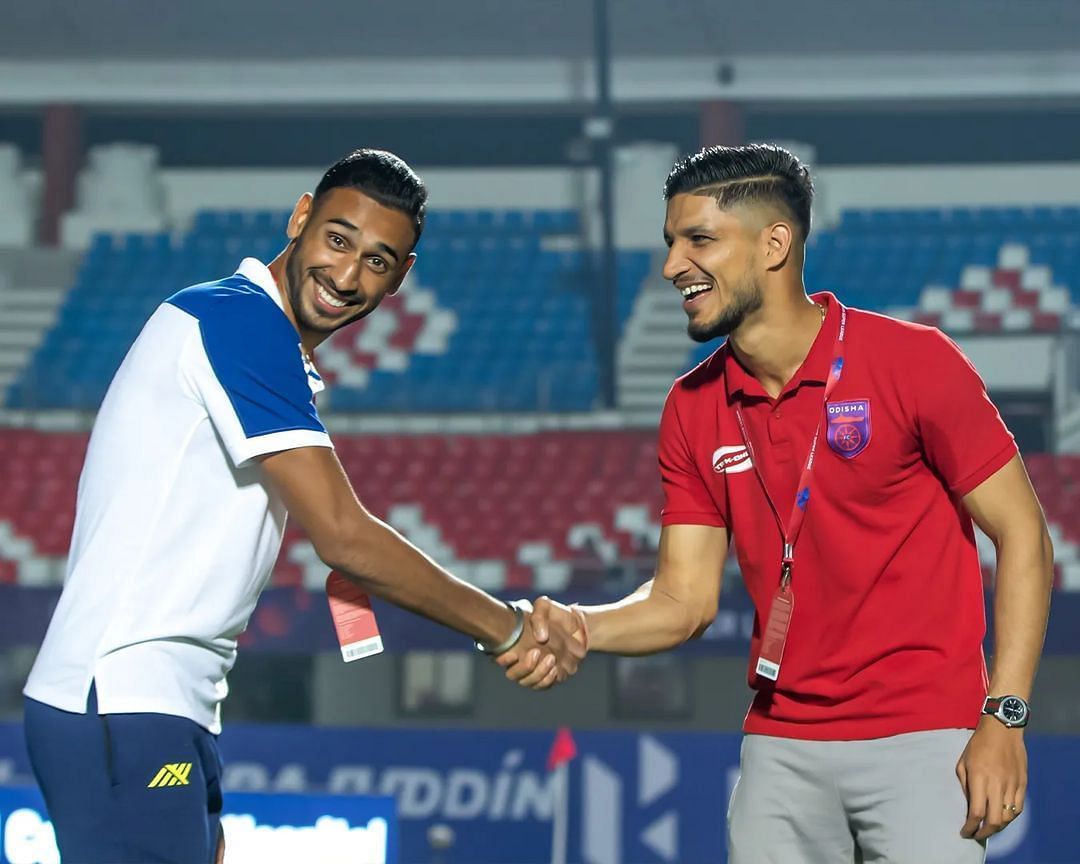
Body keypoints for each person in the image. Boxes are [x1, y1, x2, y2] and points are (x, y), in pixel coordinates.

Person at [22, 148, 584, 864]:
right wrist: (505, 630)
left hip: (164, 702)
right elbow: (345, 538)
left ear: (400, 278)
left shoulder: (260, 340)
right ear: (299, 218)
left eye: (377, 261)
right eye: (338, 238)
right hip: (124, 696)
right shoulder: (239, 322)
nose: (347, 275)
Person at [501, 144, 1054, 863]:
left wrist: (1004, 718)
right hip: (780, 745)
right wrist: (580, 625)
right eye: (670, 243)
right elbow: (684, 599)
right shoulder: (690, 406)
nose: (672, 266)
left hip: (926, 737)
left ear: (774, 244)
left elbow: (1024, 537)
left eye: (698, 240)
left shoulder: (913, 363)